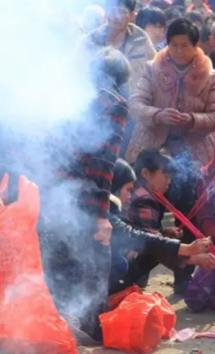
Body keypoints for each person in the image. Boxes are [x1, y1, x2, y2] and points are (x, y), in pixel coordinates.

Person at [39, 47, 131, 341]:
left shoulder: (66, 94)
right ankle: (81, 332)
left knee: (55, 266)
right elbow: (104, 164)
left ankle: (53, 329)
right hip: (83, 200)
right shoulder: (114, 103)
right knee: (91, 267)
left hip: (49, 196)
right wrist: (102, 216)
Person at [126, 18, 215, 166]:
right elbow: (135, 105)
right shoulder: (152, 69)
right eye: (174, 45)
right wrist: (158, 115)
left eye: (184, 46)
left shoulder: (211, 76)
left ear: (195, 45)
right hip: (152, 145)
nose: (179, 51)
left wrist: (192, 120)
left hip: (195, 151)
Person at [109, 158, 215, 293]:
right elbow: (141, 238)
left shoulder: (143, 197)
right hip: (108, 273)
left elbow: (140, 233)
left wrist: (164, 233)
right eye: (128, 190)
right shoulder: (143, 198)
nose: (169, 181)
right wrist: (190, 252)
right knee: (124, 262)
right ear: (146, 173)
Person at [85, 0, 156, 91]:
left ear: (132, 15)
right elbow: (75, 70)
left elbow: (155, 69)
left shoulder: (141, 39)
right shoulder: (92, 40)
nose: (116, 17)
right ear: (106, 13)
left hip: (133, 101)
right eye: (112, 11)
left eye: (122, 12)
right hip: (99, 101)